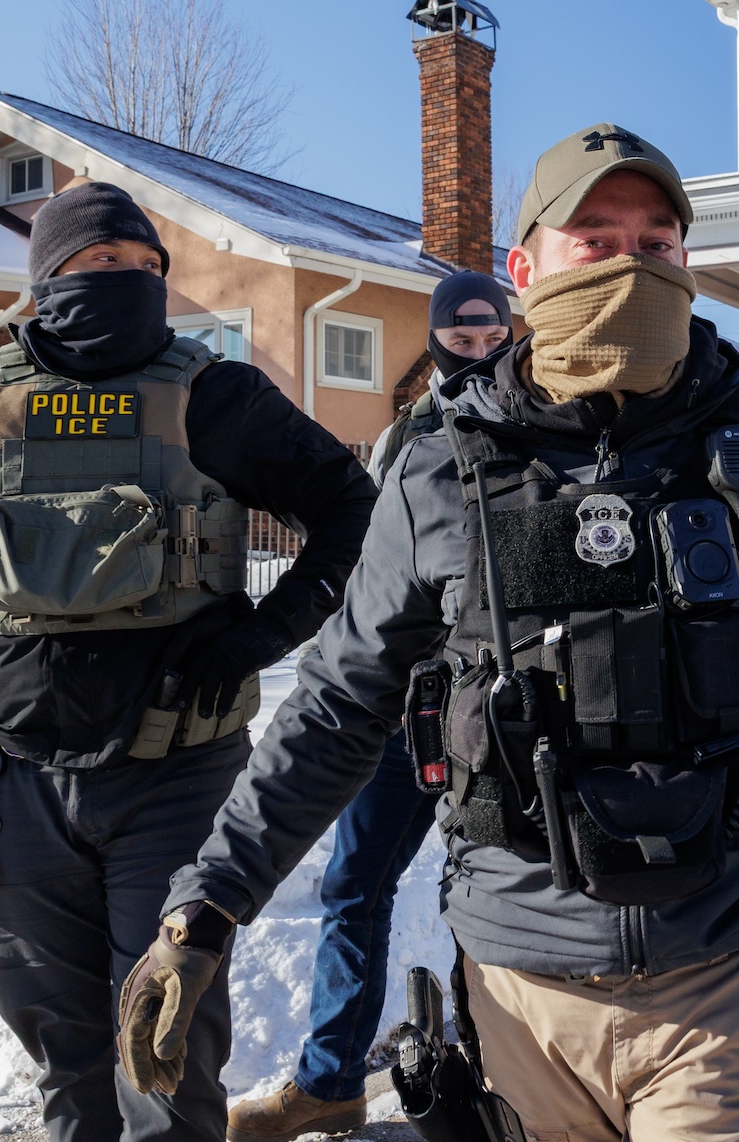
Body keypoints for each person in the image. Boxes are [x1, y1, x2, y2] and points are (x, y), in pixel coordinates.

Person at [118, 123, 739, 1142]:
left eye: (657, 242)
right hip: (516, 990)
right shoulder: (440, 470)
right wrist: (207, 904)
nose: (631, 264)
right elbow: (340, 705)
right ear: (525, 272)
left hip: (720, 973)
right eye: (595, 241)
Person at [0, 181, 376, 1142]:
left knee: (164, 1045)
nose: (121, 279)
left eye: (141, 265)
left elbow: (353, 512)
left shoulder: (218, 397)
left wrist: (259, 637)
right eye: (92, 263)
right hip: (9, 775)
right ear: (45, 282)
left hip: (176, 772)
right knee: (62, 1054)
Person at [227, 269, 514, 1142]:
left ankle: (513, 1076)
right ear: (433, 341)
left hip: (499, 721)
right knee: (355, 884)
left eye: (489, 335)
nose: (475, 351)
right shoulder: (403, 440)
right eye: (458, 338)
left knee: (503, 894)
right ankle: (329, 1082)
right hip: (400, 716)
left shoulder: (544, 425)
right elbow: (372, 579)